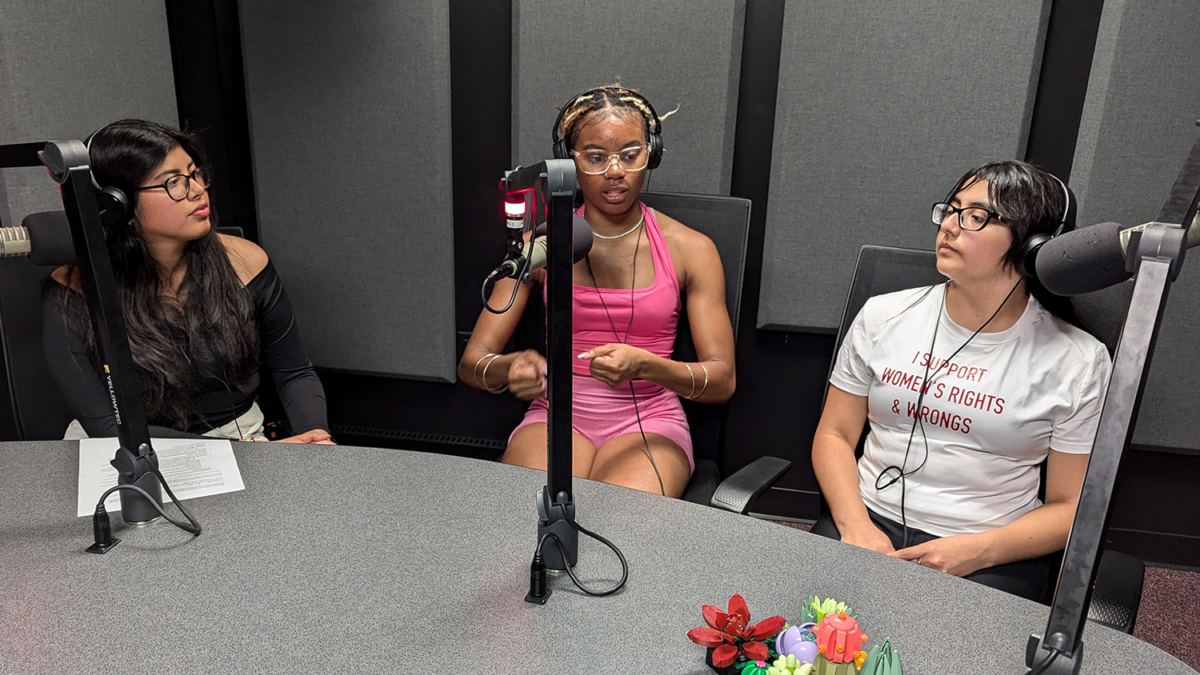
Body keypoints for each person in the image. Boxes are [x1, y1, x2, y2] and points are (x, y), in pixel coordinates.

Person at [810, 160, 1111, 601]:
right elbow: (834, 434)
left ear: (1034, 246)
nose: (949, 226)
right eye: (950, 210)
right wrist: (856, 527)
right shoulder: (882, 316)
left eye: (975, 216)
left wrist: (976, 551)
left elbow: (1071, 507)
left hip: (989, 549)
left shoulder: (1078, 360)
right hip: (864, 519)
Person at [458, 85, 736, 497]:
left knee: (619, 530)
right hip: (556, 414)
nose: (615, 171)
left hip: (650, 419)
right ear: (569, 162)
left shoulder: (692, 250)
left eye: (630, 154)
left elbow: (723, 381)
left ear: (651, 154)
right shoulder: (542, 246)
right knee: (521, 514)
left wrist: (647, 366)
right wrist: (507, 368)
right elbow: (472, 363)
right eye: (595, 157)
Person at [43, 119, 332, 444]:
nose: (197, 190)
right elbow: (106, 427)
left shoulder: (246, 262)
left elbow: (294, 372)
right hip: (121, 448)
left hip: (242, 440)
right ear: (115, 205)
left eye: (195, 174)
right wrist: (239, 458)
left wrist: (313, 441)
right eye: (174, 182)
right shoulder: (72, 290)